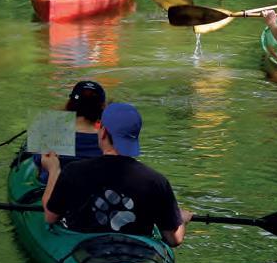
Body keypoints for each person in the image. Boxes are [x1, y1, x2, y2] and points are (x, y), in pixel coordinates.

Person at [41, 102, 192, 247]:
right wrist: (181, 220)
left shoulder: (73, 171)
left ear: (103, 132)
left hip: (84, 254)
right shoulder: (156, 181)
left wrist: (54, 170)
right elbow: (174, 239)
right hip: (135, 255)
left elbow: (50, 216)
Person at [33, 80, 106, 182]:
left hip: (51, 189)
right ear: (102, 109)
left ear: (70, 104)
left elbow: (37, 161)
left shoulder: (50, 130)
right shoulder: (108, 140)